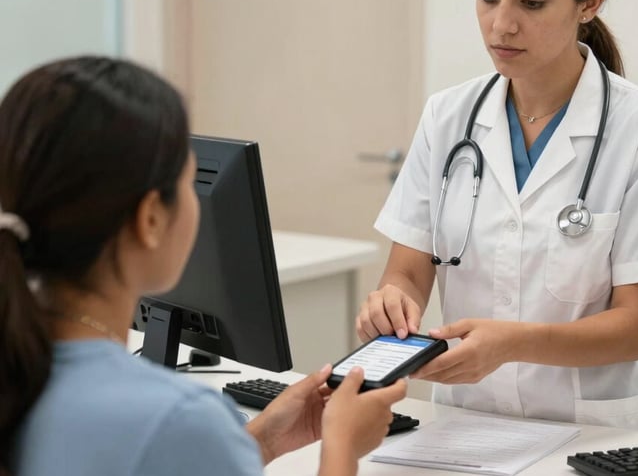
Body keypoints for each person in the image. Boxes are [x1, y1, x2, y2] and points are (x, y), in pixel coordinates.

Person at [0, 57, 406, 476]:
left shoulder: (24, 377)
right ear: (151, 219)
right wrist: (342, 448)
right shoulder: (177, 420)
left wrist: (262, 440)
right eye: (189, 181)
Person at [356, 0, 638, 431]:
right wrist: (391, 303)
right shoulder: (447, 117)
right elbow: (406, 272)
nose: (502, 24)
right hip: (463, 425)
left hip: (594, 435)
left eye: (531, 2)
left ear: (590, 2)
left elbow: (634, 330)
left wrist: (511, 344)